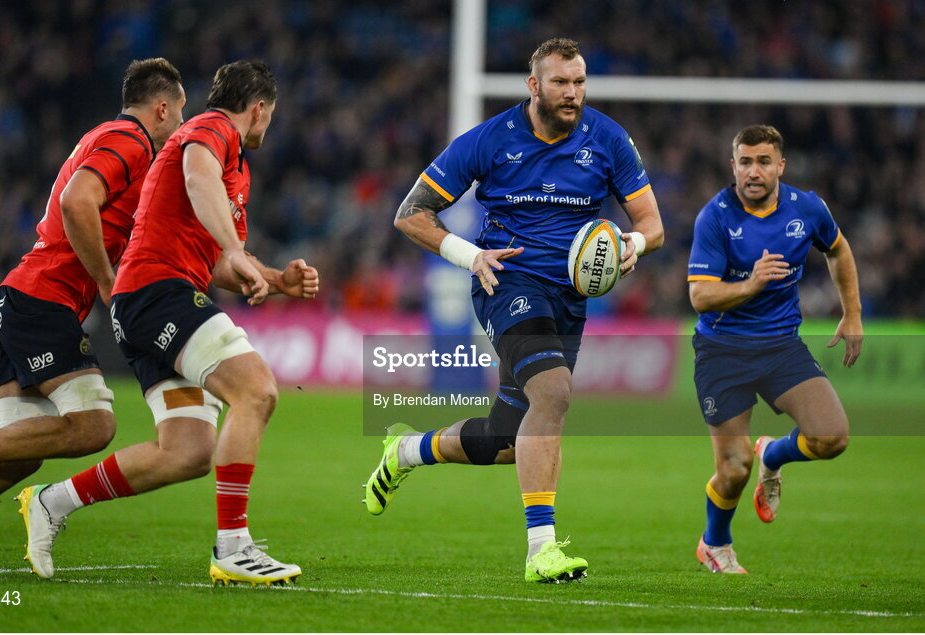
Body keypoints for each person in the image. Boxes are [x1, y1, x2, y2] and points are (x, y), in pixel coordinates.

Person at [364, 38, 664, 583]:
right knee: (554, 394)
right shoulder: (489, 141)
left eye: (578, 82)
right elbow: (411, 214)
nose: (572, 93)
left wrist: (632, 246)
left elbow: (653, 226)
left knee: (505, 438)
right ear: (534, 86)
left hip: (570, 298)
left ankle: (407, 450)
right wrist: (470, 255)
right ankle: (541, 550)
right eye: (560, 83)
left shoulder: (609, 140)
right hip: (509, 284)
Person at [15, 60, 319, 586]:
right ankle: (234, 546)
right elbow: (199, 177)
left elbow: (219, 260)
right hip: (159, 294)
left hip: (149, 302)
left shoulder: (235, 167)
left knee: (186, 453)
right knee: (257, 392)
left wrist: (272, 276)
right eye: (270, 115)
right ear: (260, 108)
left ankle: (50, 501)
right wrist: (233, 247)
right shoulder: (211, 129)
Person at [0, 59, 186, 578]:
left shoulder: (104, 136)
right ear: (161, 108)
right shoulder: (133, 139)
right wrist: (106, 282)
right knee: (96, 423)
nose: (180, 125)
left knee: (19, 455)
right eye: (180, 112)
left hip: (19, 297)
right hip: (42, 300)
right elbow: (79, 202)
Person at [688, 125, 862, 574]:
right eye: (744, 161)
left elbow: (838, 250)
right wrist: (752, 283)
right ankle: (715, 543)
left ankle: (775, 453)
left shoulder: (807, 208)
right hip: (722, 351)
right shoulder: (716, 217)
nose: (753, 171)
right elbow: (700, 297)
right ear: (733, 166)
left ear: (780, 166)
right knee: (733, 469)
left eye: (763, 161)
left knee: (832, 438)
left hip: (780, 345)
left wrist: (853, 312)